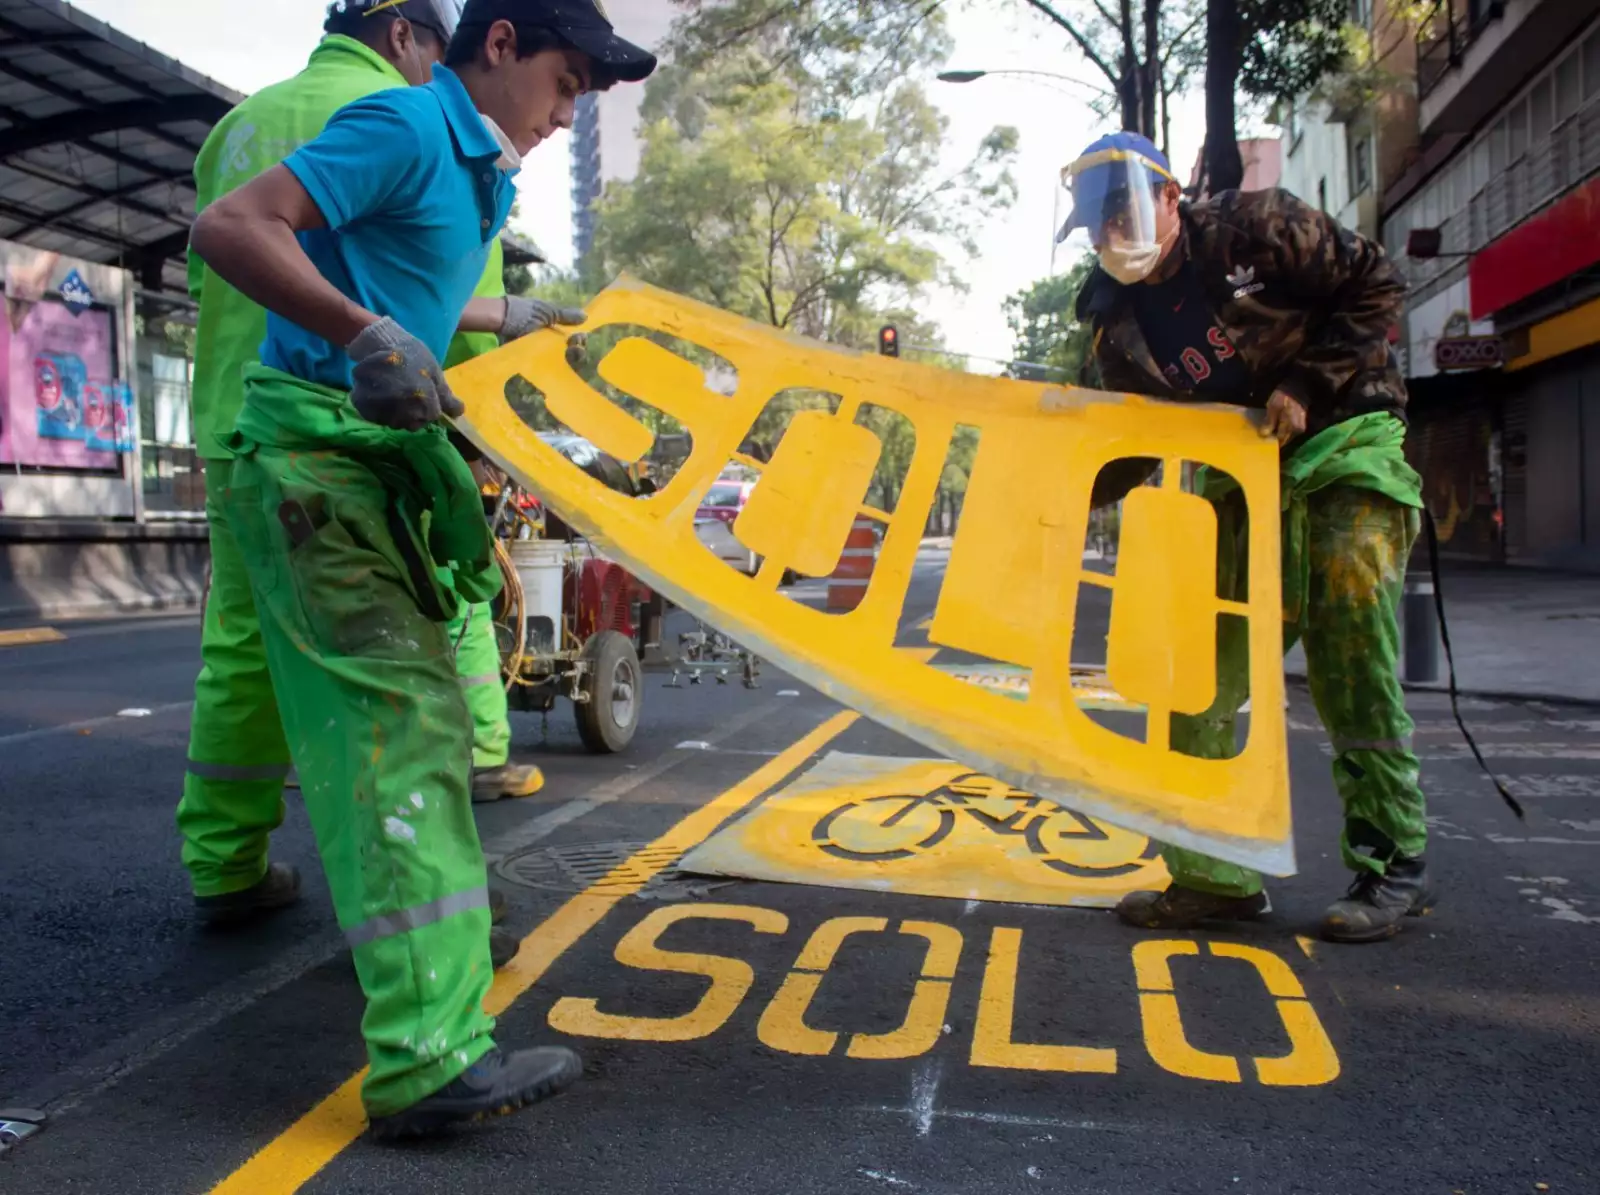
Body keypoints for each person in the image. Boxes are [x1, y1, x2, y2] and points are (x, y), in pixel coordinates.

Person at [187, 0, 655, 1139]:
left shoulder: (478, 173)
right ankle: (425, 1061)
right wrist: (359, 336)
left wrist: (502, 314)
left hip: (366, 470)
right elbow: (232, 227)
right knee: (394, 736)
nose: (568, 109)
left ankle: (424, 955)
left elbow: (409, 292)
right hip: (313, 466)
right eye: (564, 81)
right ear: (498, 45)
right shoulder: (403, 123)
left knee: (417, 727)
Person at [179, 0, 555, 977]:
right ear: (408, 38)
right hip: (346, 424)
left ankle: (224, 861)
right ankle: (425, 944)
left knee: (249, 656)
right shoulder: (407, 118)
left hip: (240, 415)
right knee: (390, 694)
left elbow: (206, 265)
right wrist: (472, 417)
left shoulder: (241, 123)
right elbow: (410, 298)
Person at [1059, 132, 1432, 944]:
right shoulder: (1112, 319)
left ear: (1167, 198)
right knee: (1196, 670)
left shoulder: (1254, 230)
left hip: (1344, 442)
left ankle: (1392, 861)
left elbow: (1375, 284)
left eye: (1121, 211)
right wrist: (1060, 500)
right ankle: (1211, 878)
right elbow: (1134, 440)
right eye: (1094, 225)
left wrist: (1304, 383)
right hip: (1239, 481)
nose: (1109, 236)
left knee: (1348, 638)